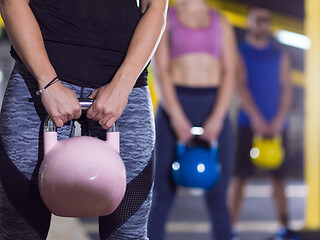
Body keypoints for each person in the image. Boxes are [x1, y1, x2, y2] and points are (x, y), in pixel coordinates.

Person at [0, 0, 167, 239]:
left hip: (122, 89)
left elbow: (156, 8)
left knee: (129, 235)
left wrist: (123, 85)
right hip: (38, 81)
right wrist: (47, 83)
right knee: (18, 233)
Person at [147, 0, 237, 239]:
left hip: (213, 104)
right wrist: (176, 117)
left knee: (218, 193)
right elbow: (160, 70)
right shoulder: (166, 16)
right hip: (175, 104)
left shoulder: (221, 21)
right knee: (162, 192)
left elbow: (230, 71)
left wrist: (218, 117)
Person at [228, 4, 295, 240]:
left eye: (265, 20)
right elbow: (240, 86)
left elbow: (286, 88)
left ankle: (284, 228)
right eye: (257, 19)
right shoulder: (240, 52)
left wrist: (279, 119)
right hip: (249, 122)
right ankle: (231, 229)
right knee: (240, 177)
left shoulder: (280, 55)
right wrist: (256, 117)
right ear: (250, 22)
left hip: (277, 126)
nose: (262, 24)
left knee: (279, 179)